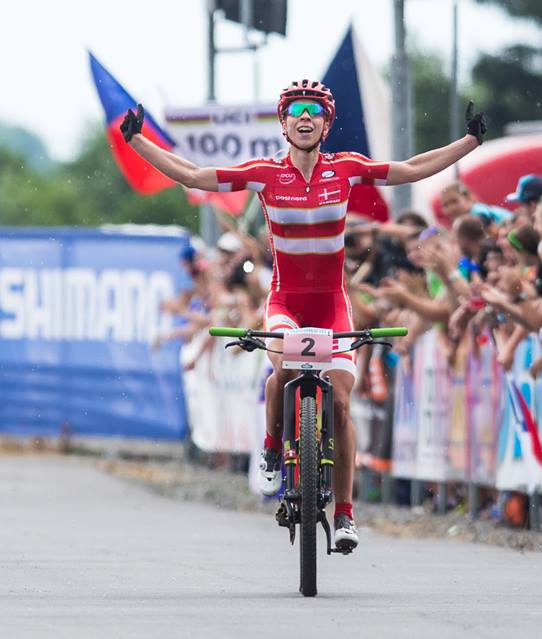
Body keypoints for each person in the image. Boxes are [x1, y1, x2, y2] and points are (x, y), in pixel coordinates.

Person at [119, 80, 486, 552]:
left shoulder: (347, 169)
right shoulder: (264, 174)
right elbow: (193, 175)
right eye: (296, 111)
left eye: (315, 110)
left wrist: (470, 142)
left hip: (333, 302)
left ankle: (347, 515)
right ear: (284, 122)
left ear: (327, 123)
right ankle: (273, 446)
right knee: (285, 369)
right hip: (285, 301)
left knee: (338, 403)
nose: (306, 117)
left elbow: (412, 169)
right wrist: (138, 140)